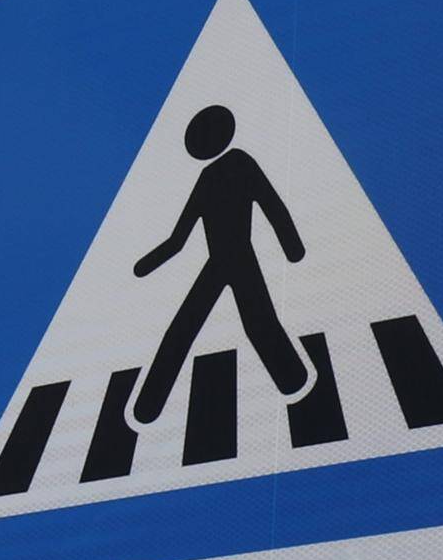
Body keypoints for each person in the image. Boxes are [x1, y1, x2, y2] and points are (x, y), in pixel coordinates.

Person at [129, 103, 314, 419]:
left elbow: (272, 206)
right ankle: (147, 407)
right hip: (221, 262)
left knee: (256, 324)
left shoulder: (239, 163)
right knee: (185, 329)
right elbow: (179, 238)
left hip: (239, 257)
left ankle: (296, 386)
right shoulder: (209, 176)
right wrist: (143, 266)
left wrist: (293, 249)